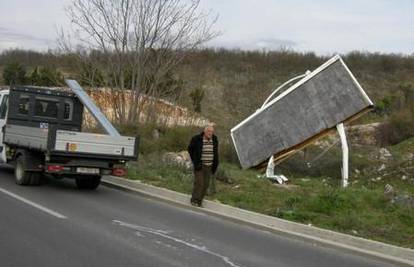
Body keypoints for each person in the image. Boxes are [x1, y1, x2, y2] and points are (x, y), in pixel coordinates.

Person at [187, 125, 219, 207]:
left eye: (212, 132)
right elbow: (190, 149)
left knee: (206, 184)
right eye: (209, 131)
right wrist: (195, 160)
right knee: (199, 183)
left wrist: (215, 164)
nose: (210, 133)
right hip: (200, 165)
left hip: (210, 166)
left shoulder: (215, 140)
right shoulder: (197, 139)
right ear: (205, 131)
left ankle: (199, 201)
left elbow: (215, 153)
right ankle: (194, 200)